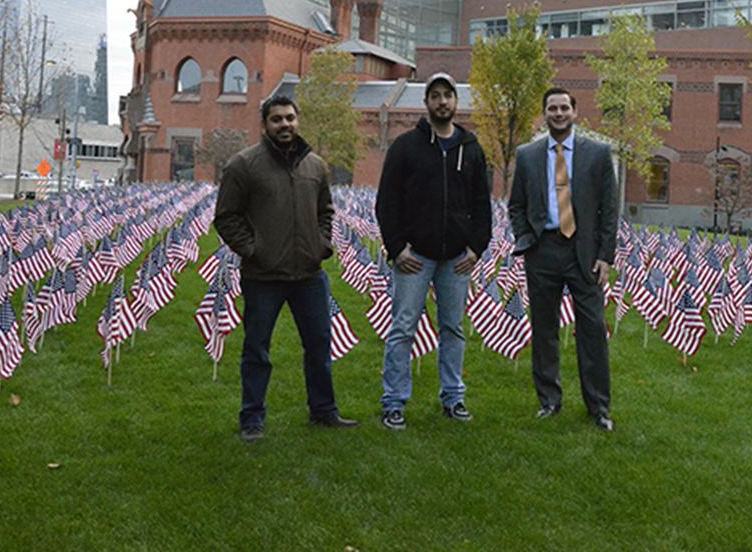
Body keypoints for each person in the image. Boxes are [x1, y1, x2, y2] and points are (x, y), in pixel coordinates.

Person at [213, 94, 357, 442]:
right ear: (265, 124)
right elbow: (226, 217)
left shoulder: (315, 166)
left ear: (298, 120)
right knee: (257, 349)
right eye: (277, 119)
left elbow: (326, 211)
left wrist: (322, 244)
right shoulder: (243, 165)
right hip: (264, 276)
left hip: (309, 274)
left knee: (320, 344)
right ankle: (252, 418)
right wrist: (253, 250)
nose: (285, 124)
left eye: (290, 118)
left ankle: (324, 411)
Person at [375, 72, 491, 431]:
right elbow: (386, 202)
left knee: (453, 329)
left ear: (457, 102)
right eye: (435, 96)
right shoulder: (405, 147)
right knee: (403, 328)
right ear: (426, 103)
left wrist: (476, 248)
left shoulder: (471, 148)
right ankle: (394, 402)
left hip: (456, 258)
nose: (442, 102)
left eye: (448, 95)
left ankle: (453, 398)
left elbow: (481, 205)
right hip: (415, 257)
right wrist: (397, 249)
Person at [508, 87, 618, 432]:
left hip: (583, 253)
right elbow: (516, 206)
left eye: (564, 108)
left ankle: (598, 407)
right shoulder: (527, 155)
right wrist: (527, 238)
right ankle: (549, 401)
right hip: (543, 251)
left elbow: (609, 210)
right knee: (544, 331)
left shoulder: (598, 154)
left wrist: (605, 256)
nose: (558, 113)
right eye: (552, 108)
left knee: (593, 330)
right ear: (544, 113)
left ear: (574, 112)